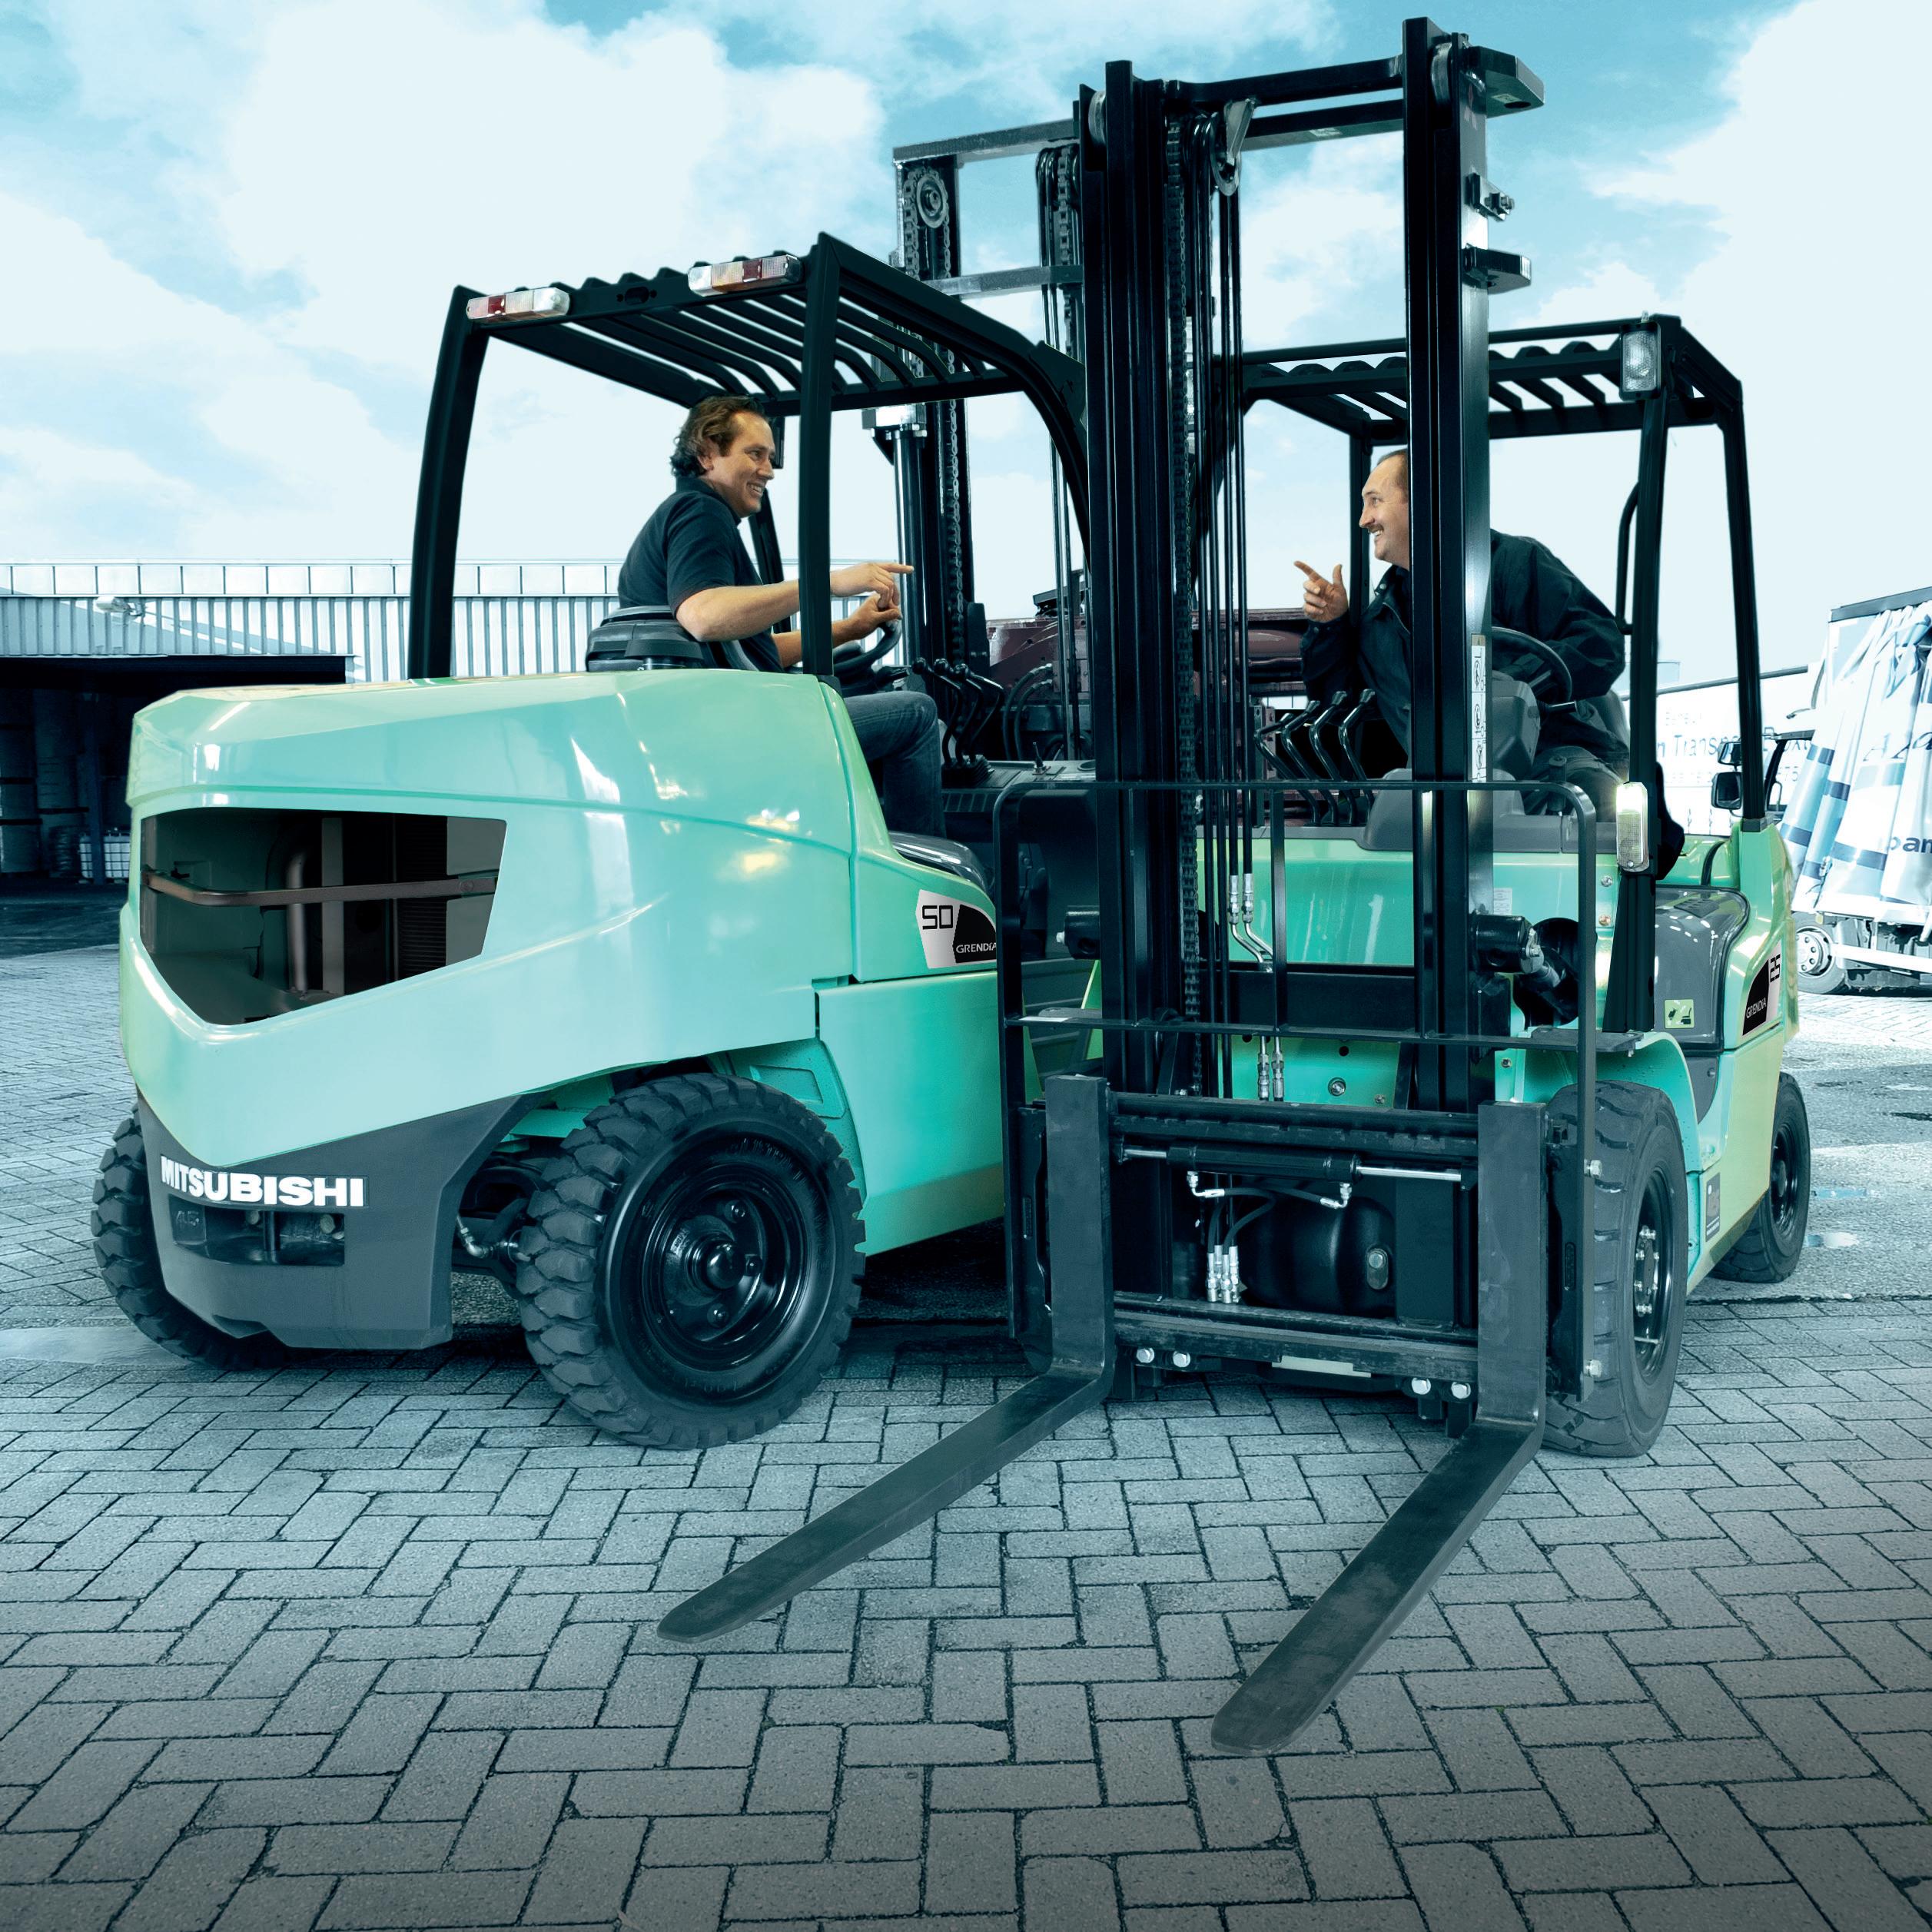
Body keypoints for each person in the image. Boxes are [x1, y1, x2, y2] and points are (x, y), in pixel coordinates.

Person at [619, 393, 944, 836]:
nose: (768, 470)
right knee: (917, 714)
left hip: (713, 721)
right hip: (738, 731)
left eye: (770, 457)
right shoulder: (700, 512)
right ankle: (921, 865)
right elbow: (703, 617)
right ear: (708, 453)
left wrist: (851, 628)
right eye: (755, 454)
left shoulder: (688, 516)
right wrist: (825, 583)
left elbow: (752, 651)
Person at [1295, 450, 1629, 813]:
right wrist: (1330, 626)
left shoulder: (1512, 564)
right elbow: (1338, 704)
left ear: (1422, 503)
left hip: (1549, 765)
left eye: (1375, 501)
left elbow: (1600, 645)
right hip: (1442, 785)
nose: (1364, 520)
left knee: (1598, 806)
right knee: (1344, 821)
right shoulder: (1380, 625)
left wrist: (1506, 689)